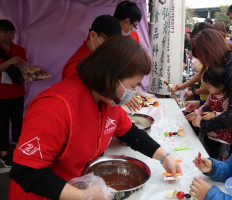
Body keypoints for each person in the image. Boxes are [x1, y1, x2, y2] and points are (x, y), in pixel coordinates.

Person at [9, 36, 181, 200]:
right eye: (133, 85)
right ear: (110, 77)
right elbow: (26, 171)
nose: (135, 92)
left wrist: (164, 157)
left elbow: (130, 133)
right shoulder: (54, 108)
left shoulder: (108, 101)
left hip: (76, 185)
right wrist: (83, 196)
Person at [186, 66, 232, 160]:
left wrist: (214, 114)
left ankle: (216, 163)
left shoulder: (226, 99)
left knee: (217, 151)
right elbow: (206, 106)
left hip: (220, 132)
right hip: (210, 130)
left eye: (209, 86)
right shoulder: (212, 94)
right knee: (209, 146)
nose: (207, 88)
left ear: (221, 86)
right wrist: (197, 113)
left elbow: (227, 114)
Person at [0, 19, 27, 167]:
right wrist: (10, 62)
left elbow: (25, 70)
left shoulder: (19, 49)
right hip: (1, 94)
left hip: (17, 92)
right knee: (2, 123)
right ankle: (3, 153)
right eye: (5, 32)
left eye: (11, 32)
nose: (9, 35)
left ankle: (17, 148)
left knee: (18, 121)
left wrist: (34, 73)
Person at [61, 15, 121, 80]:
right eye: (108, 41)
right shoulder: (77, 67)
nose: (110, 46)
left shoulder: (95, 54)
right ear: (92, 35)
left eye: (113, 43)